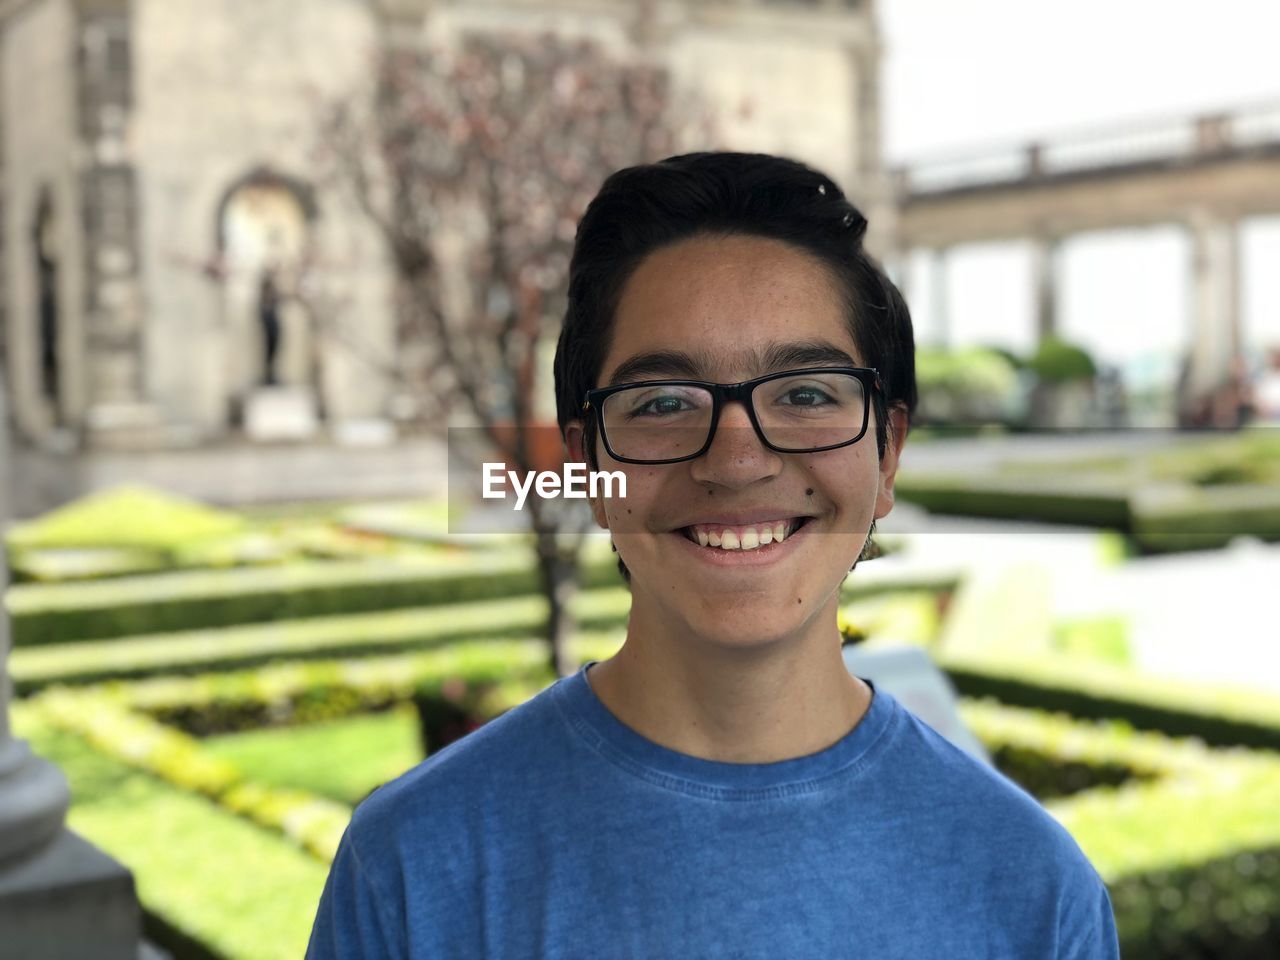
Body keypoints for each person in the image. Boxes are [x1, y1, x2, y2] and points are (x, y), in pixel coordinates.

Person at [306, 152, 1120, 958]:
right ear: (590, 465)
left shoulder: (1034, 891)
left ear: (889, 455)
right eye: (663, 403)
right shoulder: (410, 870)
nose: (736, 460)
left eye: (806, 394)